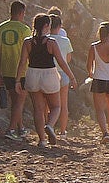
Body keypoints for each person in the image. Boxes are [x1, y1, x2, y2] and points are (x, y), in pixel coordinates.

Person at [19, 13, 77, 148]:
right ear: (46, 26)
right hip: (49, 75)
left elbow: (22, 63)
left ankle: (42, 140)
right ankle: (50, 125)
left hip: (32, 74)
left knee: (38, 109)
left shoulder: (27, 42)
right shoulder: (51, 42)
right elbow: (62, 63)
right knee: (56, 106)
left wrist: (17, 80)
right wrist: (72, 77)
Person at [0, 1, 32, 140]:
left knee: (15, 101)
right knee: (19, 101)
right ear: (22, 13)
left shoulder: (0, 28)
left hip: (6, 69)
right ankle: (10, 130)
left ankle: (20, 128)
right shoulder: (24, 29)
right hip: (21, 71)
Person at [46, 8, 76, 138]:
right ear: (59, 27)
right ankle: (63, 132)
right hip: (63, 74)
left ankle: (47, 127)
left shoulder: (45, 40)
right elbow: (68, 59)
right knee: (63, 104)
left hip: (48, 74)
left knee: (47, 105)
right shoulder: (65, 40)